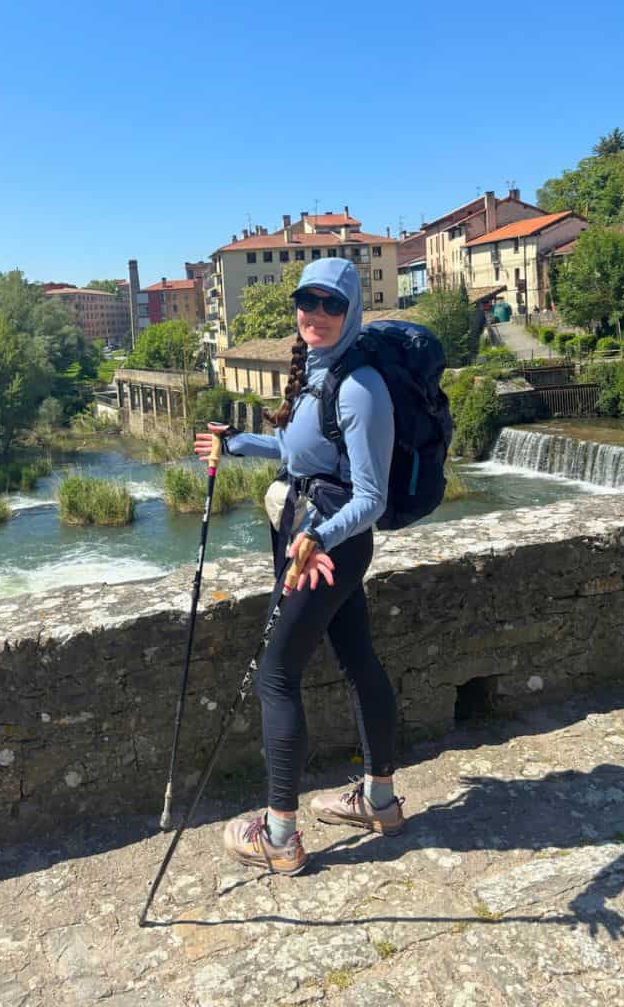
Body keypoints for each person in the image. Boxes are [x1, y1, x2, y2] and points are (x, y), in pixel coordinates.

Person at [193, 257, 404, 876]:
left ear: (352, 311)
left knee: (276, 675)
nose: (316, 314)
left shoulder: (360, 387)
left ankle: (279, 835)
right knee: (358, 660)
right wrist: (236, 443)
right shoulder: (318, 374)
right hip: (317, 541)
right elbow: (298, 454)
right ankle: (380, 802)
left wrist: (317, 536)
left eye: (331, 304)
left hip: (327, 550)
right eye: (307, 301)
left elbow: (372, 497)